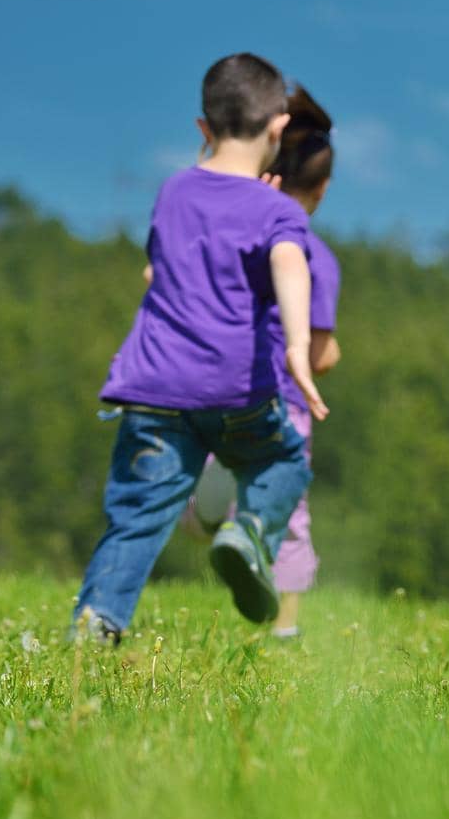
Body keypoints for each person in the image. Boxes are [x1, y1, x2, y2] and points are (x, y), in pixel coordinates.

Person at [73, 53, 328, 640]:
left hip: (155, 387)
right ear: (278, 127)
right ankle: (251, 533)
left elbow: (161, 266)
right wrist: (295, 344)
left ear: (202, 129)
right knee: (283, 459)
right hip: (234, 388)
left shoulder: (173, 192)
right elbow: (289, 261)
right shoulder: (275, 210)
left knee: (137, 515)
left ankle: (97, 623)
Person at [168, 85, 343, 641]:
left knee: (201, 516)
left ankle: (209, 512)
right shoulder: (314, 254)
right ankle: (283, 628)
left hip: (216, 392)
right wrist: (329, 354)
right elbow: (317, 352)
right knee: (289, 517)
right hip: (283, 403)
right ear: (323, 187)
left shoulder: (234, 228)